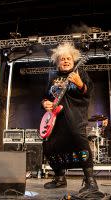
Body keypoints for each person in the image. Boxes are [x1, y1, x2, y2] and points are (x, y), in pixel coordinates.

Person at [41, 42, 98, 192]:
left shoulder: (80, 73)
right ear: (58, 62)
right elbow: (45, 96)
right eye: (62, 59)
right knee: (48, 145)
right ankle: (60, 178)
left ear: (73, 61)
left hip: (74, 117)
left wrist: (80, 85)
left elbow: (88, 92)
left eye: (68, 59)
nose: (65, 61)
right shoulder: (52, 76)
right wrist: (45, 103)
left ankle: (90, 182)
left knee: (79, 143)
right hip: (55, 120)